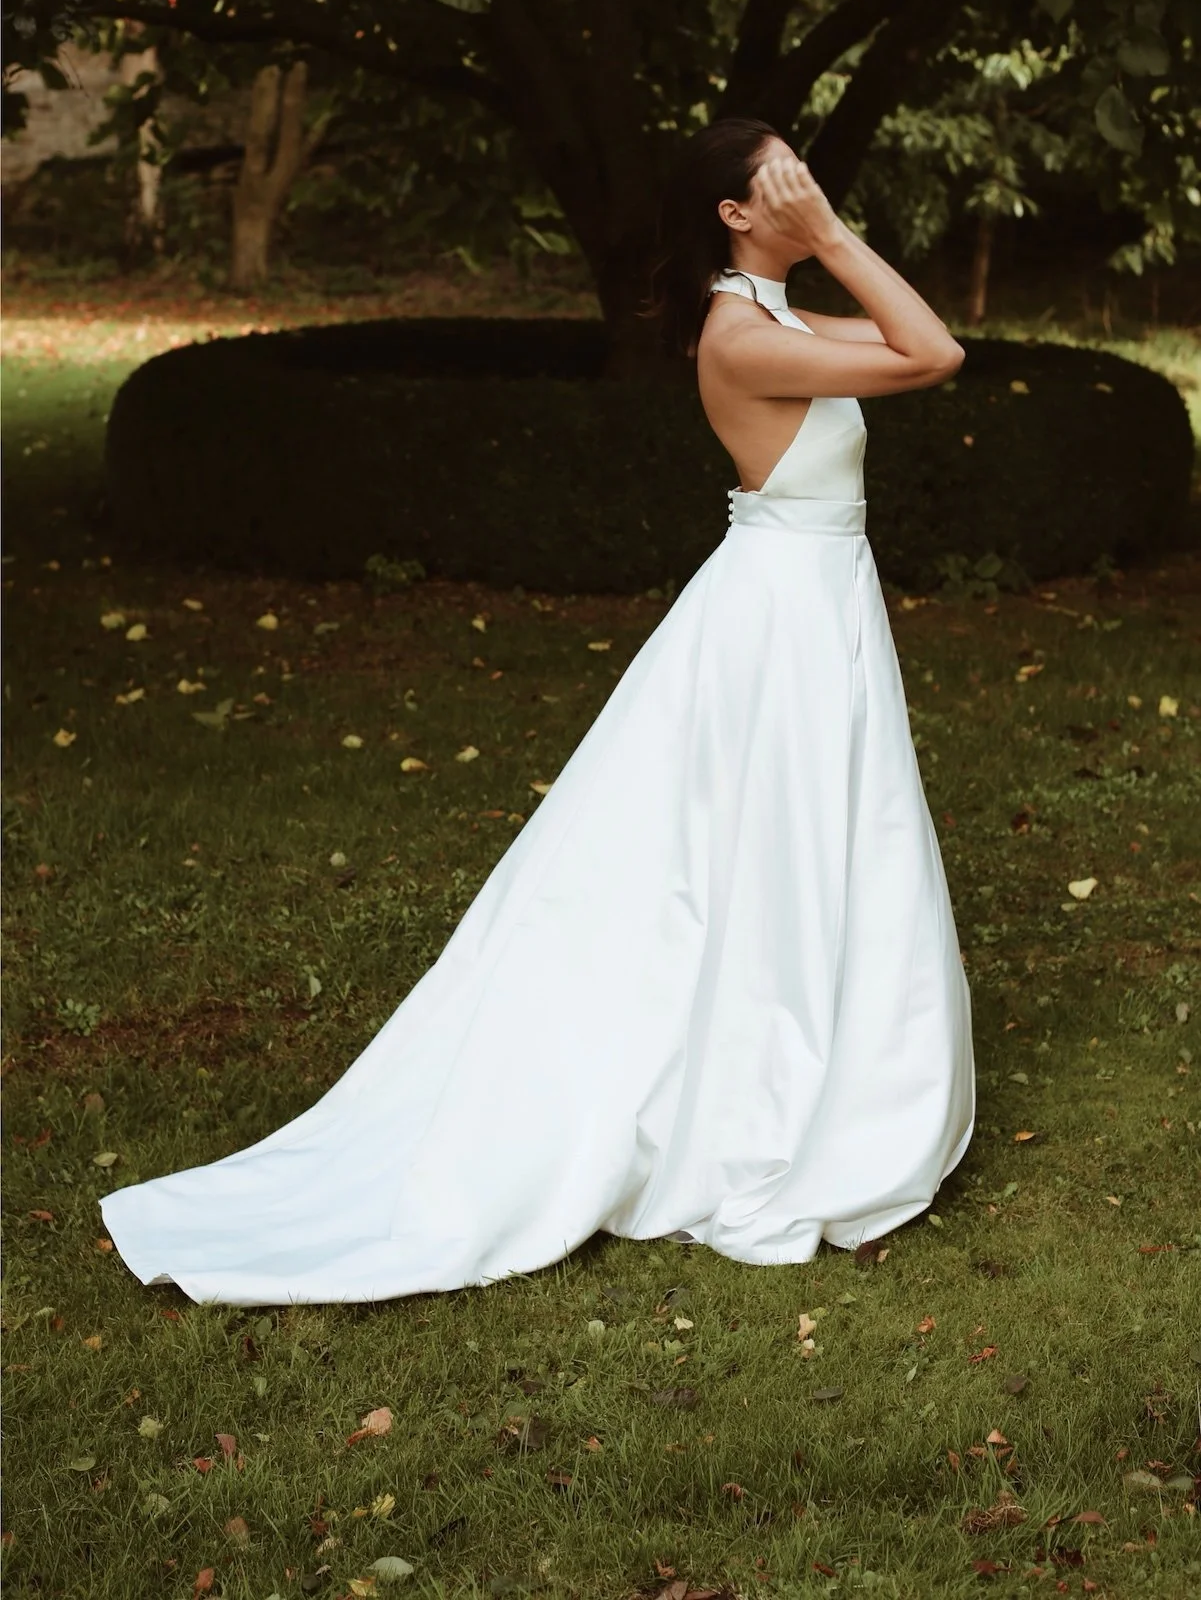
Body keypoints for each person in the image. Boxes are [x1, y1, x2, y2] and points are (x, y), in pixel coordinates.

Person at [99, 118, 976, 1306]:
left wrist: (821, 239)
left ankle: (804, 1056)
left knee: (800, 839)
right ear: (735, 212)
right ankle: (746, 1082)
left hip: (812, 602)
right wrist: (833, 236)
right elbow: (932, 357)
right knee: (758, 842)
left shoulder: (779, 318)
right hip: (778, 614)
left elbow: (920, 333)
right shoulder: (740, 337)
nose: (808, 189)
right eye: (785, 179)